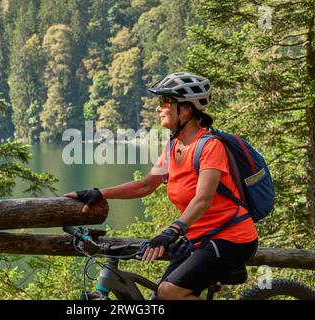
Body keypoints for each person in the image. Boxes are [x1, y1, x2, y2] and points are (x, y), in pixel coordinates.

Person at [65, 72, 258, 300]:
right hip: (197, 239)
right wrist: (100, 193)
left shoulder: (210, 147)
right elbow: (146, 185)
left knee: (170, 292)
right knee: (160, 297)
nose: (159, 108)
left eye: (165, 102)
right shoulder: (173, 146)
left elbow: (203, 199)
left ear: (186, 110)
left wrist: (172, 231)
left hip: (230, 237)